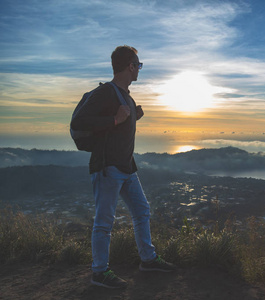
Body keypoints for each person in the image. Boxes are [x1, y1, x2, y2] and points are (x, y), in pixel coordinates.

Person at [71, 45, 176, 289]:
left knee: (142, 211)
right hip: (108, 168)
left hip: (127, 168)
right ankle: (99, 272)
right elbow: (80, 121)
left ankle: (148, 260)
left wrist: (131, 117)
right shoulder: (106, 92)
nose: (139, 69)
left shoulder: (125, 95)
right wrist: (116, 119)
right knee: (104, 222)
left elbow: (119, 126)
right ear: (130, 66)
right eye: (138, 65)